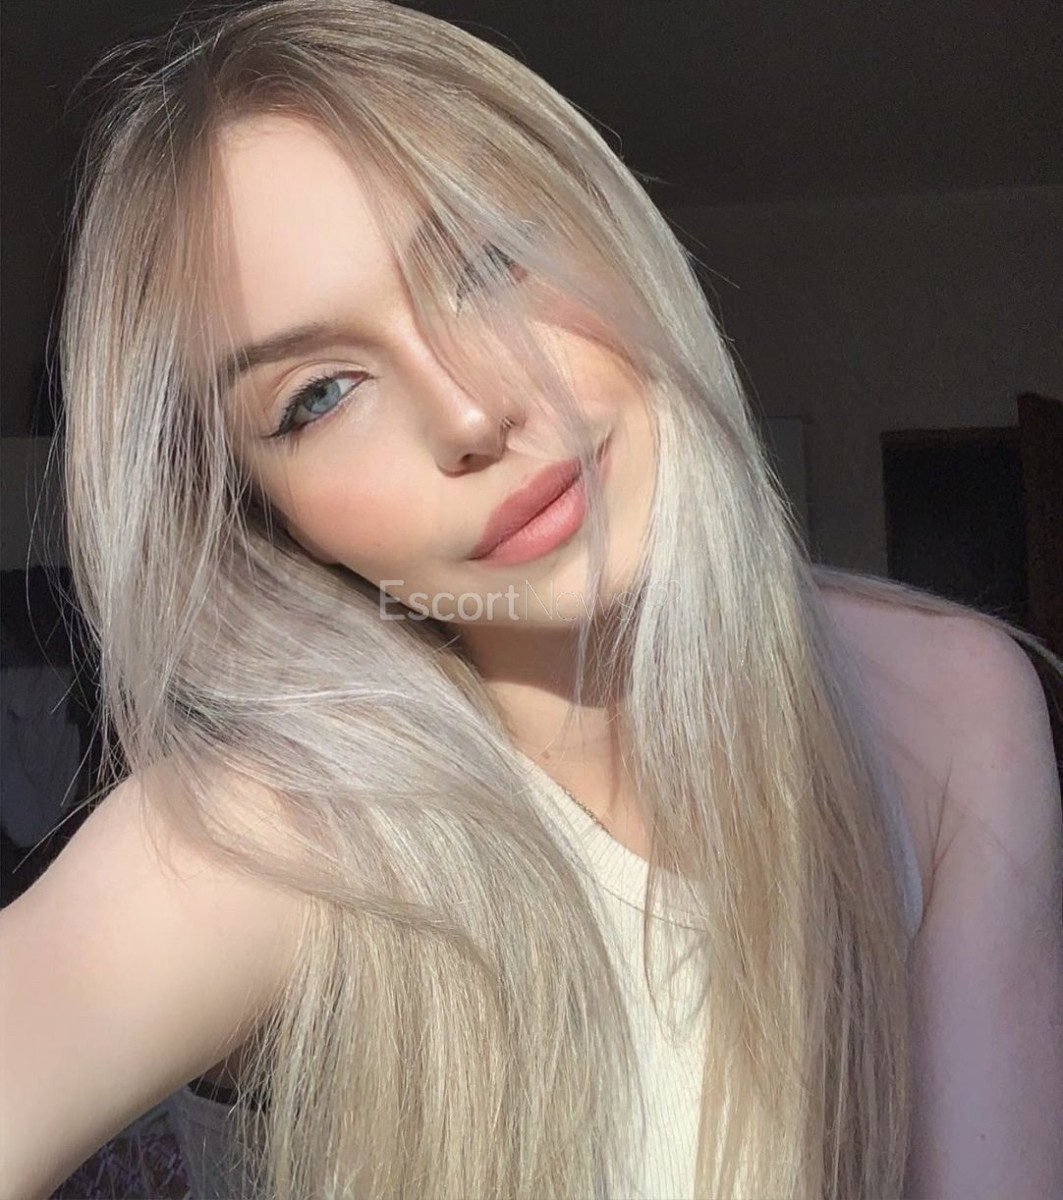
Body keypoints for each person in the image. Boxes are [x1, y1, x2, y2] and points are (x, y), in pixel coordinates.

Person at [1, 2, 1060, 1197]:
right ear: (259, 513)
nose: (468, 411)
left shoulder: (946, 701)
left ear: (608, 220)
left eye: (488, 259)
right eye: (319, 395)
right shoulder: (281, 834)